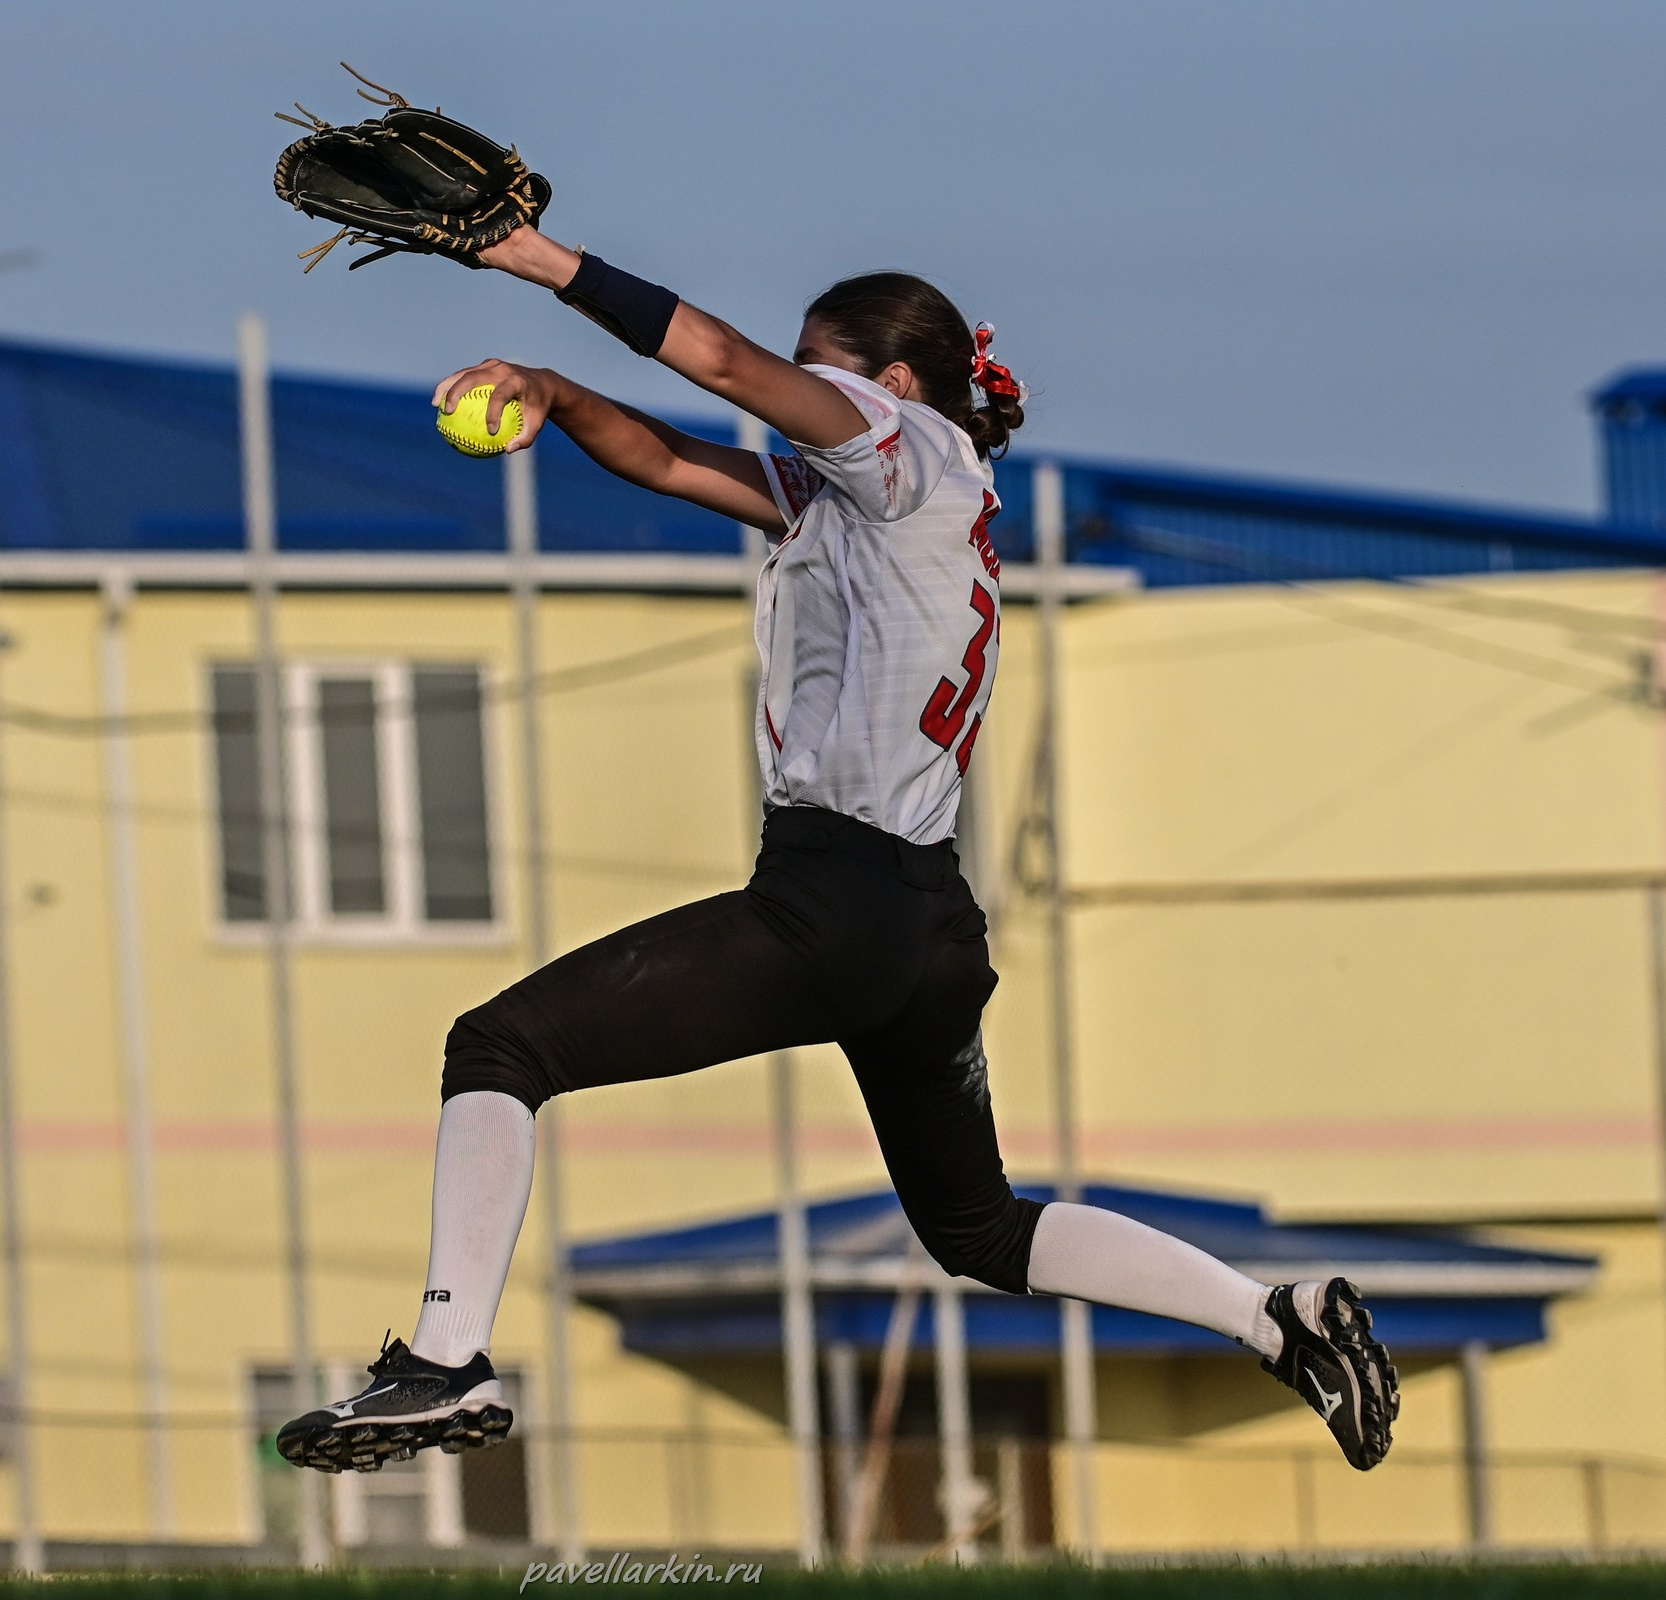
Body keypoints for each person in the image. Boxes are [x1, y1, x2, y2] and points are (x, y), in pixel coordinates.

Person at [278, 226, 1399, 1476]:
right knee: (978, 1230)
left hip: (836, 896)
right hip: (924, 921)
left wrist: (536, 259)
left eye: (833, 371)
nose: (815, 397)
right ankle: (1276, 1318)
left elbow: (728, 366)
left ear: (899, 383)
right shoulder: (875, 498)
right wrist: (554, 394)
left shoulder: (904, 447)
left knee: (501, 1044)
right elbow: (661, 456)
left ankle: (443, 1364)